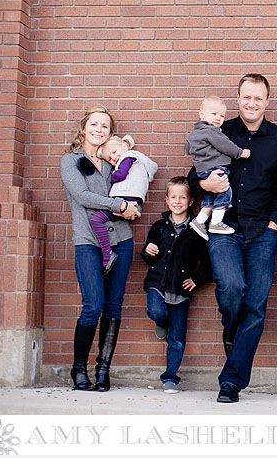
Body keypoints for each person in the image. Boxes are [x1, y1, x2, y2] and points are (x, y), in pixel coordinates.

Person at [188, 74, 277, 404]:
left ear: (266, 101)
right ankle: (234, 335)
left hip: (263, 231)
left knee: (256, 306)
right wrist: (203, 186)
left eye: (258, 98)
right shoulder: (220, 130)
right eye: (246, 97)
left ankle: (231, 380)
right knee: (232, 289)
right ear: (238, 98)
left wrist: (276, 223)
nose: (251, 103)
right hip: (225, 227)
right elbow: (196, 171)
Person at [60, 105, 141, 392]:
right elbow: (81, 196)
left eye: (105, 126)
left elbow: (134, 183)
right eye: (94, 124)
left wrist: (132, 205)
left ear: (110, 132)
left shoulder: (114, 159)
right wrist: (118, 205)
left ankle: (103, 370)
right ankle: (79, 369)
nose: (98, 130)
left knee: (113, 306)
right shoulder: (71, 161)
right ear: (84, 128)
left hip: (122, 240)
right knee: (92, 306)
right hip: (88, 241)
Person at [141, 176, 212, 394]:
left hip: (181, 289)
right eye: (173, 197)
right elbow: (147, 255)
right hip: (157, 283)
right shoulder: (159, 227)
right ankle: (161, 321)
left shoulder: (196, 230)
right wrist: (147, 252)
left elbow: (208, 262)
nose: (177, 201)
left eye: (183, 197)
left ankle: (170, 377)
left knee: (177, 338)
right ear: (166, 200)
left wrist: (196, 280)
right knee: (155, 310)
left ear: (191, 202)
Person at [90, 134, 158, 274]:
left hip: (125, 199)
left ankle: (107, 253)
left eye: (114, 152)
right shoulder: (133, 159)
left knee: (96, 219)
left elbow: (120, 175)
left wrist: (112, 176)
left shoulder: (129, 156)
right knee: (100, 219)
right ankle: (107, 253)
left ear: (124, 146)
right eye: (110, 158)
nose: (114, 158)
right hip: (132, 201)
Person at [185, 96, 251, 238]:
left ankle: (199, 221)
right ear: (201, 113)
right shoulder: (211, 131)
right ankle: (216, 223)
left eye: (222, 115)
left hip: (202, 171)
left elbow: (188, 149)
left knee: (210, 198)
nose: (218, 118)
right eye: (214, 114)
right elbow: (225, 145)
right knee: (224, 191)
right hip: (214, 168)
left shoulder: (194, 133)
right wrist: (240, 153)